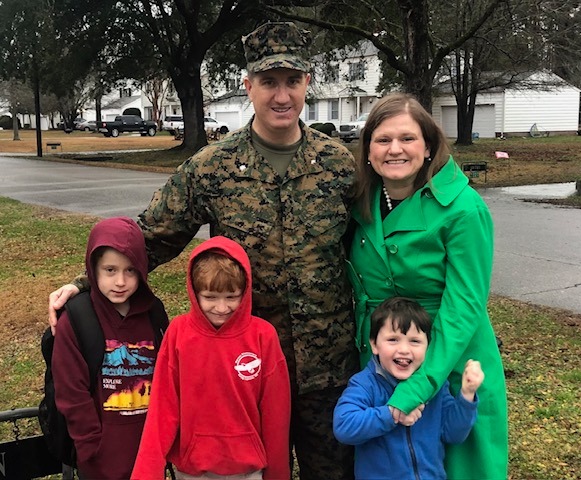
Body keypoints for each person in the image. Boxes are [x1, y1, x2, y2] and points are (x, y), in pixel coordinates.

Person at [48, 21, 358, 479]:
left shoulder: (339, 165)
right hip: (238, 371)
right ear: (248, 86)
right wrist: (84, 283)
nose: (281, 95)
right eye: (269, 82)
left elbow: (374, 246)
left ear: (307, 83)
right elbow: (152, 237)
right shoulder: (212, 167)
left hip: (327, 370)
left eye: (292, 81)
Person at [346, 92, 508, 479]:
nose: (394, 149)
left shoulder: (464, 209)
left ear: (429, 145)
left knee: (459, 466)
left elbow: (464, 306)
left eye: (407, 139)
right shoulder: (360, 200)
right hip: (383, 357)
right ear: (368, 148)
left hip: (449, 358)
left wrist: (420, 386)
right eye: (382, 140)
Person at [131, 236, 290, 480]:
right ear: (195, 293)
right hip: (193, 469)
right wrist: (146, 472)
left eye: (231, 296)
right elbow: (163, 406)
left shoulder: (263, 336)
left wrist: (278, 474)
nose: (221, 307)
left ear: (245, 292)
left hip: (247, 469)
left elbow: (276, 413)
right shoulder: (178, 333)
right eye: (210, 297)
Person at [52, 217, 167, 479]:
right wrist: (90, 445)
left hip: (148, 450)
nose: (120, 282)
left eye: (130, 270)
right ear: (93, 269)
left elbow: (168, 378)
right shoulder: (77, 319)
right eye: (110, 270)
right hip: (100, 456)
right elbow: (71, 391)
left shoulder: (154, 314)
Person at [333, 297, 484, 480]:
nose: (404, 349)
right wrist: (391, 414)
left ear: (428, 346)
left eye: (414, 341)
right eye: (393, 339)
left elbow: (453, 434)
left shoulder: (433, 386)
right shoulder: (365, 384)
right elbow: (344, 426)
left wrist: (467, 396)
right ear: (374, 344)